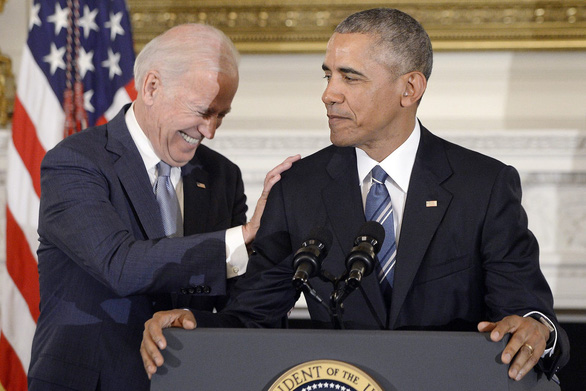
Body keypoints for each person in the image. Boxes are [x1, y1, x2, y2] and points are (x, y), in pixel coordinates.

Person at [141, 8, 570, 384]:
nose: (329, 93)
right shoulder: (300, 188)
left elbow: (530, 314)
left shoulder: (484, 185)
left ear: (410, 89)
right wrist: (197, 326)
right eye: (328, 75)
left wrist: (538, 330)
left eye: (350, 77)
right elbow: (254, 316)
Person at [28, 24, 300, 390]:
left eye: (221, 115)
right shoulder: (76, 162)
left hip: (185, 380)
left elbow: (238, 299)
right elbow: (119, 265)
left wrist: (278, 244)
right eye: (203, 111)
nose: (210, 131)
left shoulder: (222, 176)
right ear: (152, 86)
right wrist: (241, 237)